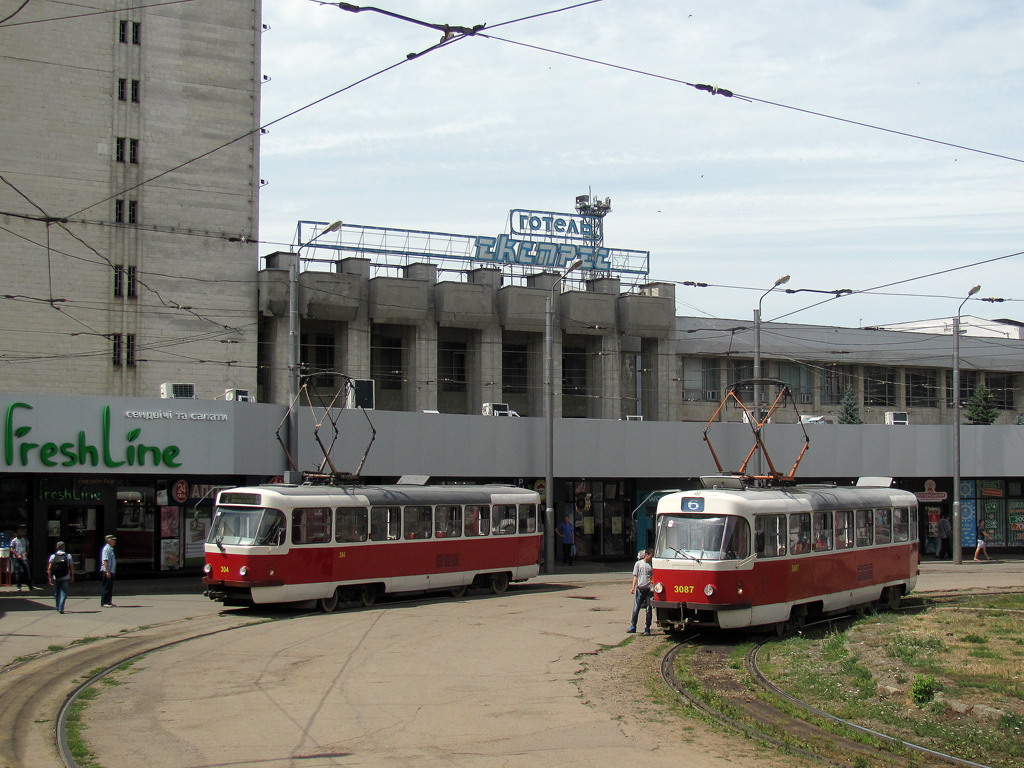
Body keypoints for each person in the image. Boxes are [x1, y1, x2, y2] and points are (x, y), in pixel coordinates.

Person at [628, 548, 655, 635]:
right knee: (636, 609)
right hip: (640, 589)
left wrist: (653, 587)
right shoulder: (638, 564)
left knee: (648, 610)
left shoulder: (651, 566)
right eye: (650, 556)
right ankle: (633, 626)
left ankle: (647, 628)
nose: (651, 558)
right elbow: (635, 577)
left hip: (649, 591)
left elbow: (653, 578)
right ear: (646, 555)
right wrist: (633, 587)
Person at [47, 541, 74, 613]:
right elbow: (71, 567)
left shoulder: (53, 556)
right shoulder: (68, 556)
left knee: (57, 592)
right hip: (66, 576)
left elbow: (49, 568)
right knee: (64, 592)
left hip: (56, 577)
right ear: (64, 547)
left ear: (57, 548)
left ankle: (57, 606)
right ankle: (61, 607)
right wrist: (72, 576)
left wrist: (49, 577)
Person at [10, 525, 34, 590]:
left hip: (23, 557)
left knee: (27, 572)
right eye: (18, 532)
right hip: (16, 558)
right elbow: (11, 549)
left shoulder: (25, 540)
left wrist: (26, 553)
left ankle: (30, 586)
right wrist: (17, 555)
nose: (20, 534)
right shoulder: (14, 540)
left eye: (20, 532)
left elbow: (28, 547)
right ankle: (19, 586)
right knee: (17, 573)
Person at [100, 534, 117, 607]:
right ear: (108, 540)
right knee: (106, 587)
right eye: (113, 540)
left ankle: (109, 601)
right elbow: (105, 561)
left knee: (109, 587)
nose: (114, 541)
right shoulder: (106, 549)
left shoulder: (110, 549)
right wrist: (107, 571)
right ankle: (104, 602)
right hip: (107, 571)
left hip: (110, 570)